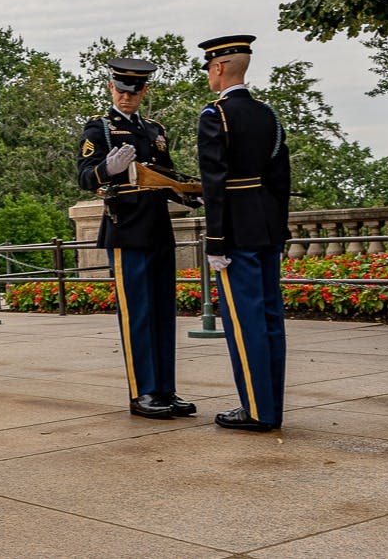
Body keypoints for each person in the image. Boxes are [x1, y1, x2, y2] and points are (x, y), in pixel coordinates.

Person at [77, 58, 197, 420]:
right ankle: (143, 392)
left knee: (163, 314)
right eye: (121, 89)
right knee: (138, 315)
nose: (127, 96)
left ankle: (165, 389)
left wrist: (191, 194)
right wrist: (106, 170)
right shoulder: (100, 129)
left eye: (135, 90)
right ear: (112, 88)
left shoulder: (154, 130)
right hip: (127, 228)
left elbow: (166, 177)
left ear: (144, 90)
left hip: (158, 228)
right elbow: (84, 176)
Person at [196, 35, 291, 432]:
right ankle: (271, 408)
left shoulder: (215, 115)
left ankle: (254, 410)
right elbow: (281, 179)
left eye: (209, 68)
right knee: (270, 319)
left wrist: (215, 242)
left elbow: (214, 183)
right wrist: (280, 230)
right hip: (267, 227)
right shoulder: (269, 115)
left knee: (245, 321)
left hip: (236, 232)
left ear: (218, 68)